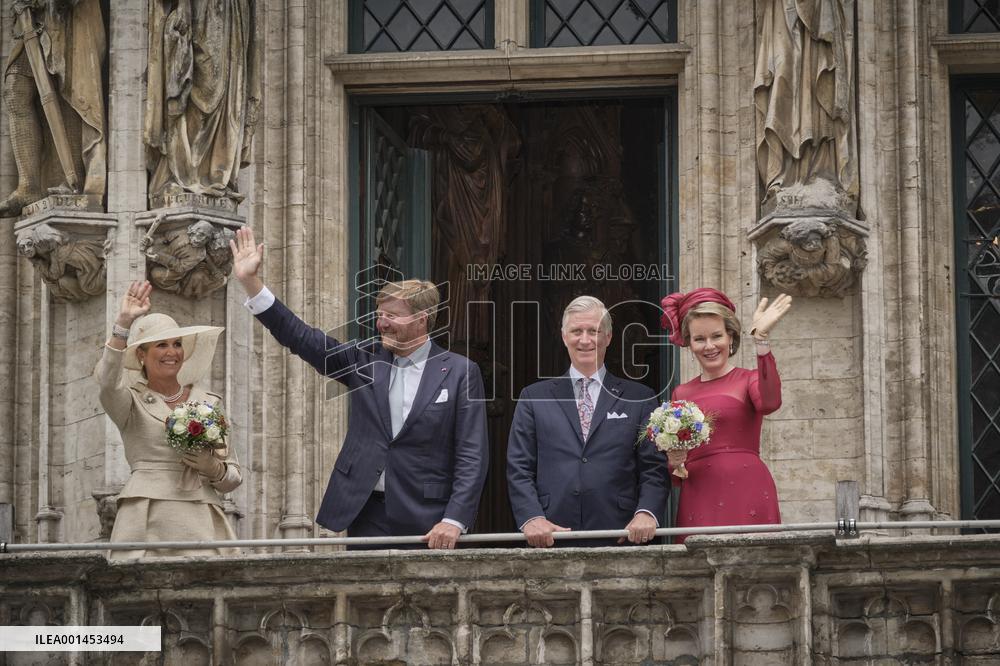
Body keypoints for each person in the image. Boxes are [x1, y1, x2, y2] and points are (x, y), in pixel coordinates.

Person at [229, 227, 488, 549]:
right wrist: (252, 284)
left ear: (422, 319)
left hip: (430, 517)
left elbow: (471, 453)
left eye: (392, 315)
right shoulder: (364, 360)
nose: (381, 323)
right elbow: (301, 338)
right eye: (380, 314)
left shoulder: (461, 371)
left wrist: (454, 519)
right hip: (366, 513)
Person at [506, 296, 670, 548]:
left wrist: (646, 513)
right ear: (564, 337)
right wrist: (532, 517)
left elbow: (653, 468)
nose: (585, 340)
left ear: (608, 337)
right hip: (550, 535)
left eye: (593, 331)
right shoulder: (533, 397)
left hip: (620, 534)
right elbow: (519, 467)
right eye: (576, 331)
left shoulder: (640, 397)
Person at [94, 281, 241, 559]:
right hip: (145, 518)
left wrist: (213, 468)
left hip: (202, 516)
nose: (172, 352)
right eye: (161, 345)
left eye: (177, 344)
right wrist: (123, 323)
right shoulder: (130, 401)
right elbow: (107, 383)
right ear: (141, 355)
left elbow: (232, 478)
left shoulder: (209, 402)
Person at [659, 288, 792, 542]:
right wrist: (675, 462)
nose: (709, 346)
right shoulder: (681, 392)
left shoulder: (748, 379)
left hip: (747, 487)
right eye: (700, 339)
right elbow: (676, 470)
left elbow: (770, 402)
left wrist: (762, 340)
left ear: (730, 337)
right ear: (689, 343)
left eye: (716, 336)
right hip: (699, 494)